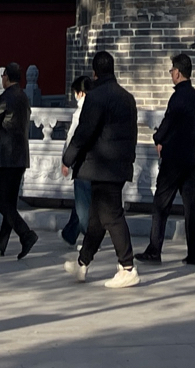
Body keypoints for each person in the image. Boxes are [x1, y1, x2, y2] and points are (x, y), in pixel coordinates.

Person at [65, 48, 139, 287]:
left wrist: (69, 157)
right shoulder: (127, 97)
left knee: (111, 215)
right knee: (97, 218)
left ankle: (127, 266)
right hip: (119, 163)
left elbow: (84, 132)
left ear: (95, 73)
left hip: (101, 164)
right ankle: (82, 263)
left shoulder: (96, 97)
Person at [139, 52, 195, 266]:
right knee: (190, 208)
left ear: (177, 72)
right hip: (189, 159)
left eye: (171, 71)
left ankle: (154, 249)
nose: (171, 74)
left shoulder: (178, 97)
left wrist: (157, 137)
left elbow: (168, 122)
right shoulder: (193, 95)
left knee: (160, 205)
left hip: (173, 159)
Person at [0, 60, 38, 259]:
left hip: (5, 156)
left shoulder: (5, 98)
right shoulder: (24, 97)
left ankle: (26, 234)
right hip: (21, 156)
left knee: (0, 200)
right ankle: (0, 245)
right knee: (9, 203)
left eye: (3, 75)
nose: (2, 78)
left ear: (7, 77)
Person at [59, 72, 92, 246]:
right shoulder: (93, 109)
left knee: (83, 204)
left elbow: (74, 138)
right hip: (90, 163)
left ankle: (89, 239)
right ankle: (70, 233)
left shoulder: (82, 112)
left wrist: (67, 160)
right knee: (82, 201)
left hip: (82, 164)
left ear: (81, 92)